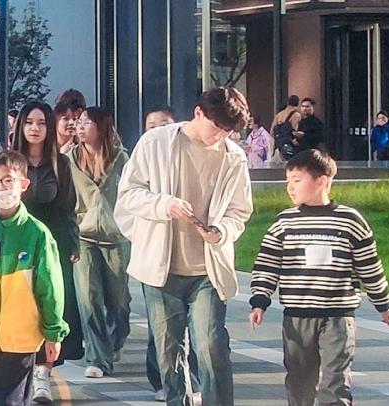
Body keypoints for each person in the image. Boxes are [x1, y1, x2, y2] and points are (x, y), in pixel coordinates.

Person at [115, 87, 254, 406]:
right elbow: (129, 194)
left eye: (228, 131)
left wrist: (222, 231)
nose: (220, 136)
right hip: (161, 269)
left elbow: (239, 210)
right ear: (198, 113)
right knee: (169, 352)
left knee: (210, 344)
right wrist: (164, 205)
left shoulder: (234, 157)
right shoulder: (156, 142)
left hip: (207, 268)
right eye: (216, 128)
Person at [248, 149, 389, 406]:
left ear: (321, 181)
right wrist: (259, 300)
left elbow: (369, 266)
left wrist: (383, 303)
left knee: (335, 380)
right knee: (300, 379)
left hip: (337, 316)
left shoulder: (350, 221)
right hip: (297, 317)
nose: (290, 188)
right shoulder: (284, 223)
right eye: (288, 182)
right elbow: (267, 264)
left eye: (297, 180)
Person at [0, 150, 69, 406]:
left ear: (23, 185)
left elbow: (50, 288)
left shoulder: (37, 234)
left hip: (22, 340)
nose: (1, 187)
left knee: (6, 402)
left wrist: (53, 332)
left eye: (8, 180)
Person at [12, 101, 84, 403]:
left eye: (41, 123)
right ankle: (23, 369)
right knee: (21, 307)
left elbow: (68, 208)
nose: (35, 128)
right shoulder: (11, 162)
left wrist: (71, 244)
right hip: (17, 243)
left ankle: (43, 372)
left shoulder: (61, 164)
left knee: (52, 306)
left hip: (52, 243)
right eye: (29, 122)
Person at [140, 105, 200, 402]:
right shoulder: (144, 155)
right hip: (158, 259)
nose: (157, 130)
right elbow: (130, 200)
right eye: (151, 125)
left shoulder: (194, 154)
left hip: (199, 262)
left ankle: (195, 380)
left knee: (203, 332)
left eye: (163, 124)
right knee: (164, 333)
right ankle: (166, 382)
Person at [68, 107, 131, 379]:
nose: (80, 127)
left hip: (117, 236)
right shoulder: (69, 158)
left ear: (102, 126)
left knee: (118, 301)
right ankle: (97, 358)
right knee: (88, 298)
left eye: (87, 123)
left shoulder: (122, 158)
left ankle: (115, 341)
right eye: (78, 123)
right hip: (82, 237)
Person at [271, 95, 302, 160]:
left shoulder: (279, 115)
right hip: (290, 146)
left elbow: (272, 131)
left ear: (287, 102)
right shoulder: (296, 115)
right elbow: (294, 132)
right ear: (298, 103)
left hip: (278, 146)